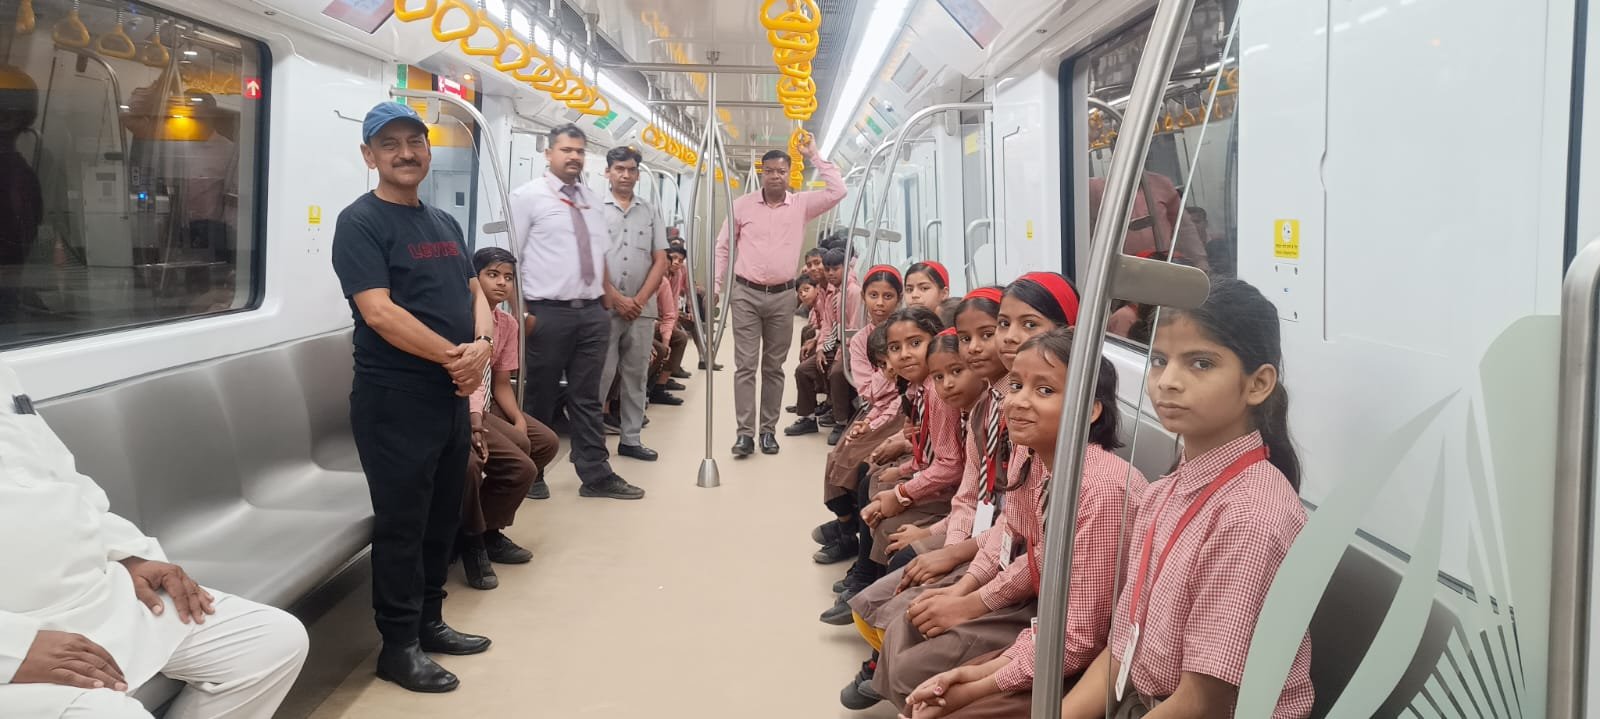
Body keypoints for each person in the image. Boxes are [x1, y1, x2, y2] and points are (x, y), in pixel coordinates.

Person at [1057, 279, 1312, 719]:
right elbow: (1121, 650)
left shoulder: (1250, 519)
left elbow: (1203, 703)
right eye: (1159, 360)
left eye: (1201, 363)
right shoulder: (1164, 492)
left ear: (1257, 384)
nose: (1168, 382)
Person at [0, 366, 307, 719]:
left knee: (272, 641)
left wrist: (130, 556)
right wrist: (16, 649)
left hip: (94, 594)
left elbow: (65, 481)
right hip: (18, 631)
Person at [331, 101, 495, 693]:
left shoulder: (443, 222)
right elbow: (379, 312)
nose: (405, 153)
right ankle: (398, 646)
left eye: (414, 142)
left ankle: (430, 621)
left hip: (449, 395)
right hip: (394, 399)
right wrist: (459, 359)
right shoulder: (360, 222)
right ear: (369, 155)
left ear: (428, 149)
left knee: (440, 515)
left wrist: (483, 344)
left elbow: (475, 291)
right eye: (390, 144)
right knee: (403, 523)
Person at [898, 329, 1143, 717]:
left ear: (1091, 410)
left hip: (1085, 653)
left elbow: (1080, 635)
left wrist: (977, 682)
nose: (1017, 402)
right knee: (913, 626)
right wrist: (967, 597)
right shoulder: (1038, 456)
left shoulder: (1101, 490)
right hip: (1051, 620)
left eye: (1044, 390)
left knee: (927, 680)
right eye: (1015, 386)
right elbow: (1029, 547)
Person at [509, 124, 644, 500]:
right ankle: (531, 471)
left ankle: (595, 474)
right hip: (546, 312)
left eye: (580, 151)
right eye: (566, 150)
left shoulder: (591, 200)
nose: (574, 157)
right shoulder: (527, 197)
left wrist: (604, 302)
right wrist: (520, 315)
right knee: (540, 396)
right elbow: (511, 259)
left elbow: (598, 254)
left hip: (591, 313)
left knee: (587, 397)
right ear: (548, 153)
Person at [715, 137, 846, 458]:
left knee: (773, 367)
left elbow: (838, 191)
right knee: (745, 366)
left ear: (789, 174)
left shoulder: (801, 204)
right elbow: (723, 247)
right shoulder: (742, 205)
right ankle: (744, 434)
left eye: (781, 171)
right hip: (745, 293)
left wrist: (813, 155)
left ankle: (767, 431)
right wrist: (717, 286)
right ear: (762, 173)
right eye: (770, 171)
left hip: (782, 296)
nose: (775, 176)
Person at [458, 247, 559, 591]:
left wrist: (517, 417)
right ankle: (474, 537)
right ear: (474, 279)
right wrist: (476, 422)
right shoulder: (461, 319)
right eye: (492, 275)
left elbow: (501, 382)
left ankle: (488, 524)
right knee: (513, 463)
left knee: (542, 441)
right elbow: (468, 380)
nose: (502, 283)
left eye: (508, 277)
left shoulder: (507, 324)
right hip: (463, 406)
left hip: (487, 405)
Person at [596, 145, 672, 462]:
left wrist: (638, 301)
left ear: (638, 175)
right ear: (608, 172)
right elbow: (590, 258)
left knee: (636, 376)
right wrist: (616, 298)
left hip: (642, 311)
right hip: (604, 307)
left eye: (631, 170)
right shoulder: (594, 209)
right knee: (600, 375)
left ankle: (630, 439)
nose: (625, 175)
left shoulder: (650, 211)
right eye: (619, 169)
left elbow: (661, 260)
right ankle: (591, 442)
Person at [787, 248, 845, 436]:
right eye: (809, 264)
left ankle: (838, 413)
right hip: (831, 340)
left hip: (844, 345)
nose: (813, 268)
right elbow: (826, 324)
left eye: (817, 263)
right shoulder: (824, 290)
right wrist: (818, 344)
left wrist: (827, 346)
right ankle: (808, 414)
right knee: (803, 368)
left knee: (835, 369)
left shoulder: (843, 291)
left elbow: (847, 327)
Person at [649, 246, 692, 398]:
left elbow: (672, 302)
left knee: (679, 336)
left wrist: (672, 322)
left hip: (661, 318)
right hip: (648, 319)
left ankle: (661, 383)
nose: (676, 262)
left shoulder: (676, 275)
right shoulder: (653, 275)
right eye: (674, 258)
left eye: (680, 260)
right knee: (665, 344)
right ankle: (650, 384)